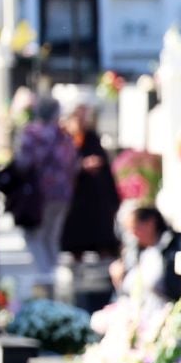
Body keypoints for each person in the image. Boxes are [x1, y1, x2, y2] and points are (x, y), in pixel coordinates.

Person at [8, 97, 79, 296]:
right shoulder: (63, 135)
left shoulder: (32, 133)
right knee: (51, 237)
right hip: (63, 193)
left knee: (35, 236)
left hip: (38, 194)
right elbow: (73, 163)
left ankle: (45, 276)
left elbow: (23, 162)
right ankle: (52, 277)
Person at [61, 103, 121, 261]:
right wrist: (80, 165)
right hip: (75, 195)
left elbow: (104, 165)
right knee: (76, 238)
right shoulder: (65, 138)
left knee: (101, 235)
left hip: (95, 196)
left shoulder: (92, 138)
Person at [112, 207, 181, 304]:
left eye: (136, 228)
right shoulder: (137, 252)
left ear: (150, 223)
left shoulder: (172, 248)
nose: (133, 235)